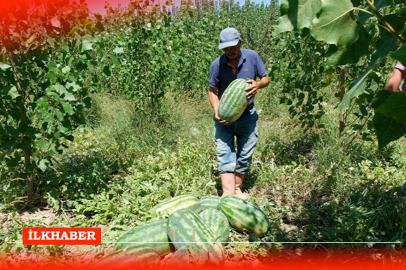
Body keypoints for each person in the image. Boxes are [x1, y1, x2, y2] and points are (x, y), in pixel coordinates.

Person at [208, 27, 270, 199]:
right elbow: (212, 91)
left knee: (245, 151)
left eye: (232, 47)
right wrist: (217, 111)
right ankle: (227, 193)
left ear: (240, 42)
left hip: (247, 116)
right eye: (225, 48)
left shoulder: (252, 56)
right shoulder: (217, 64)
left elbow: (266, 78)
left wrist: (258, 85)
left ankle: (236, 188)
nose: (229, 51)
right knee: (224, 151)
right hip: (224, 118)